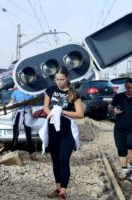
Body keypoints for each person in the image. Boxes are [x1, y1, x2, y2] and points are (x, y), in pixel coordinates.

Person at [43, 67, 84, 199]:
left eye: (62, 79)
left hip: (67, 130)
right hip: (53, 129)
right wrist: (52, 115)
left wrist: (62, 112)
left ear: (67, 78)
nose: (59, 82)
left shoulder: (74, 94)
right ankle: (58, 188)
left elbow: (80, 114)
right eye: (57, 79)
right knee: (55, 160)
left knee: (63, 159)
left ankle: (64, 191)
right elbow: (45, 107)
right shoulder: (50, 90)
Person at [8, 88, 37, 160]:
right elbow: (12, 102)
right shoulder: (16, 92)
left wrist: (32, 113)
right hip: (18, 112)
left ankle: (31, 153)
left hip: (27, 113)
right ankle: (12, 152)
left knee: (28, 134)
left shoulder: (30, 92)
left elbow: (31, 105)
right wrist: (16, 104)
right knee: (16, 133)